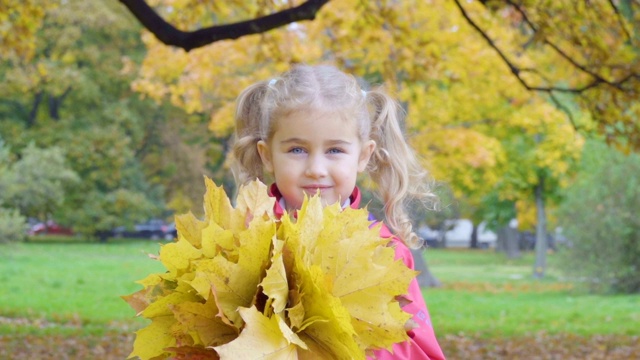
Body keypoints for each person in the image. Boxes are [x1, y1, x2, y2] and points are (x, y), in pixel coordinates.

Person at [230, 64, 445, 360]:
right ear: (267, 155)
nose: (316, 169)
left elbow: (423, 350)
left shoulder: (384, 253)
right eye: (296, 150)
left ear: (363, 155)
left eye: (334, 151)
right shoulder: (239, 239)